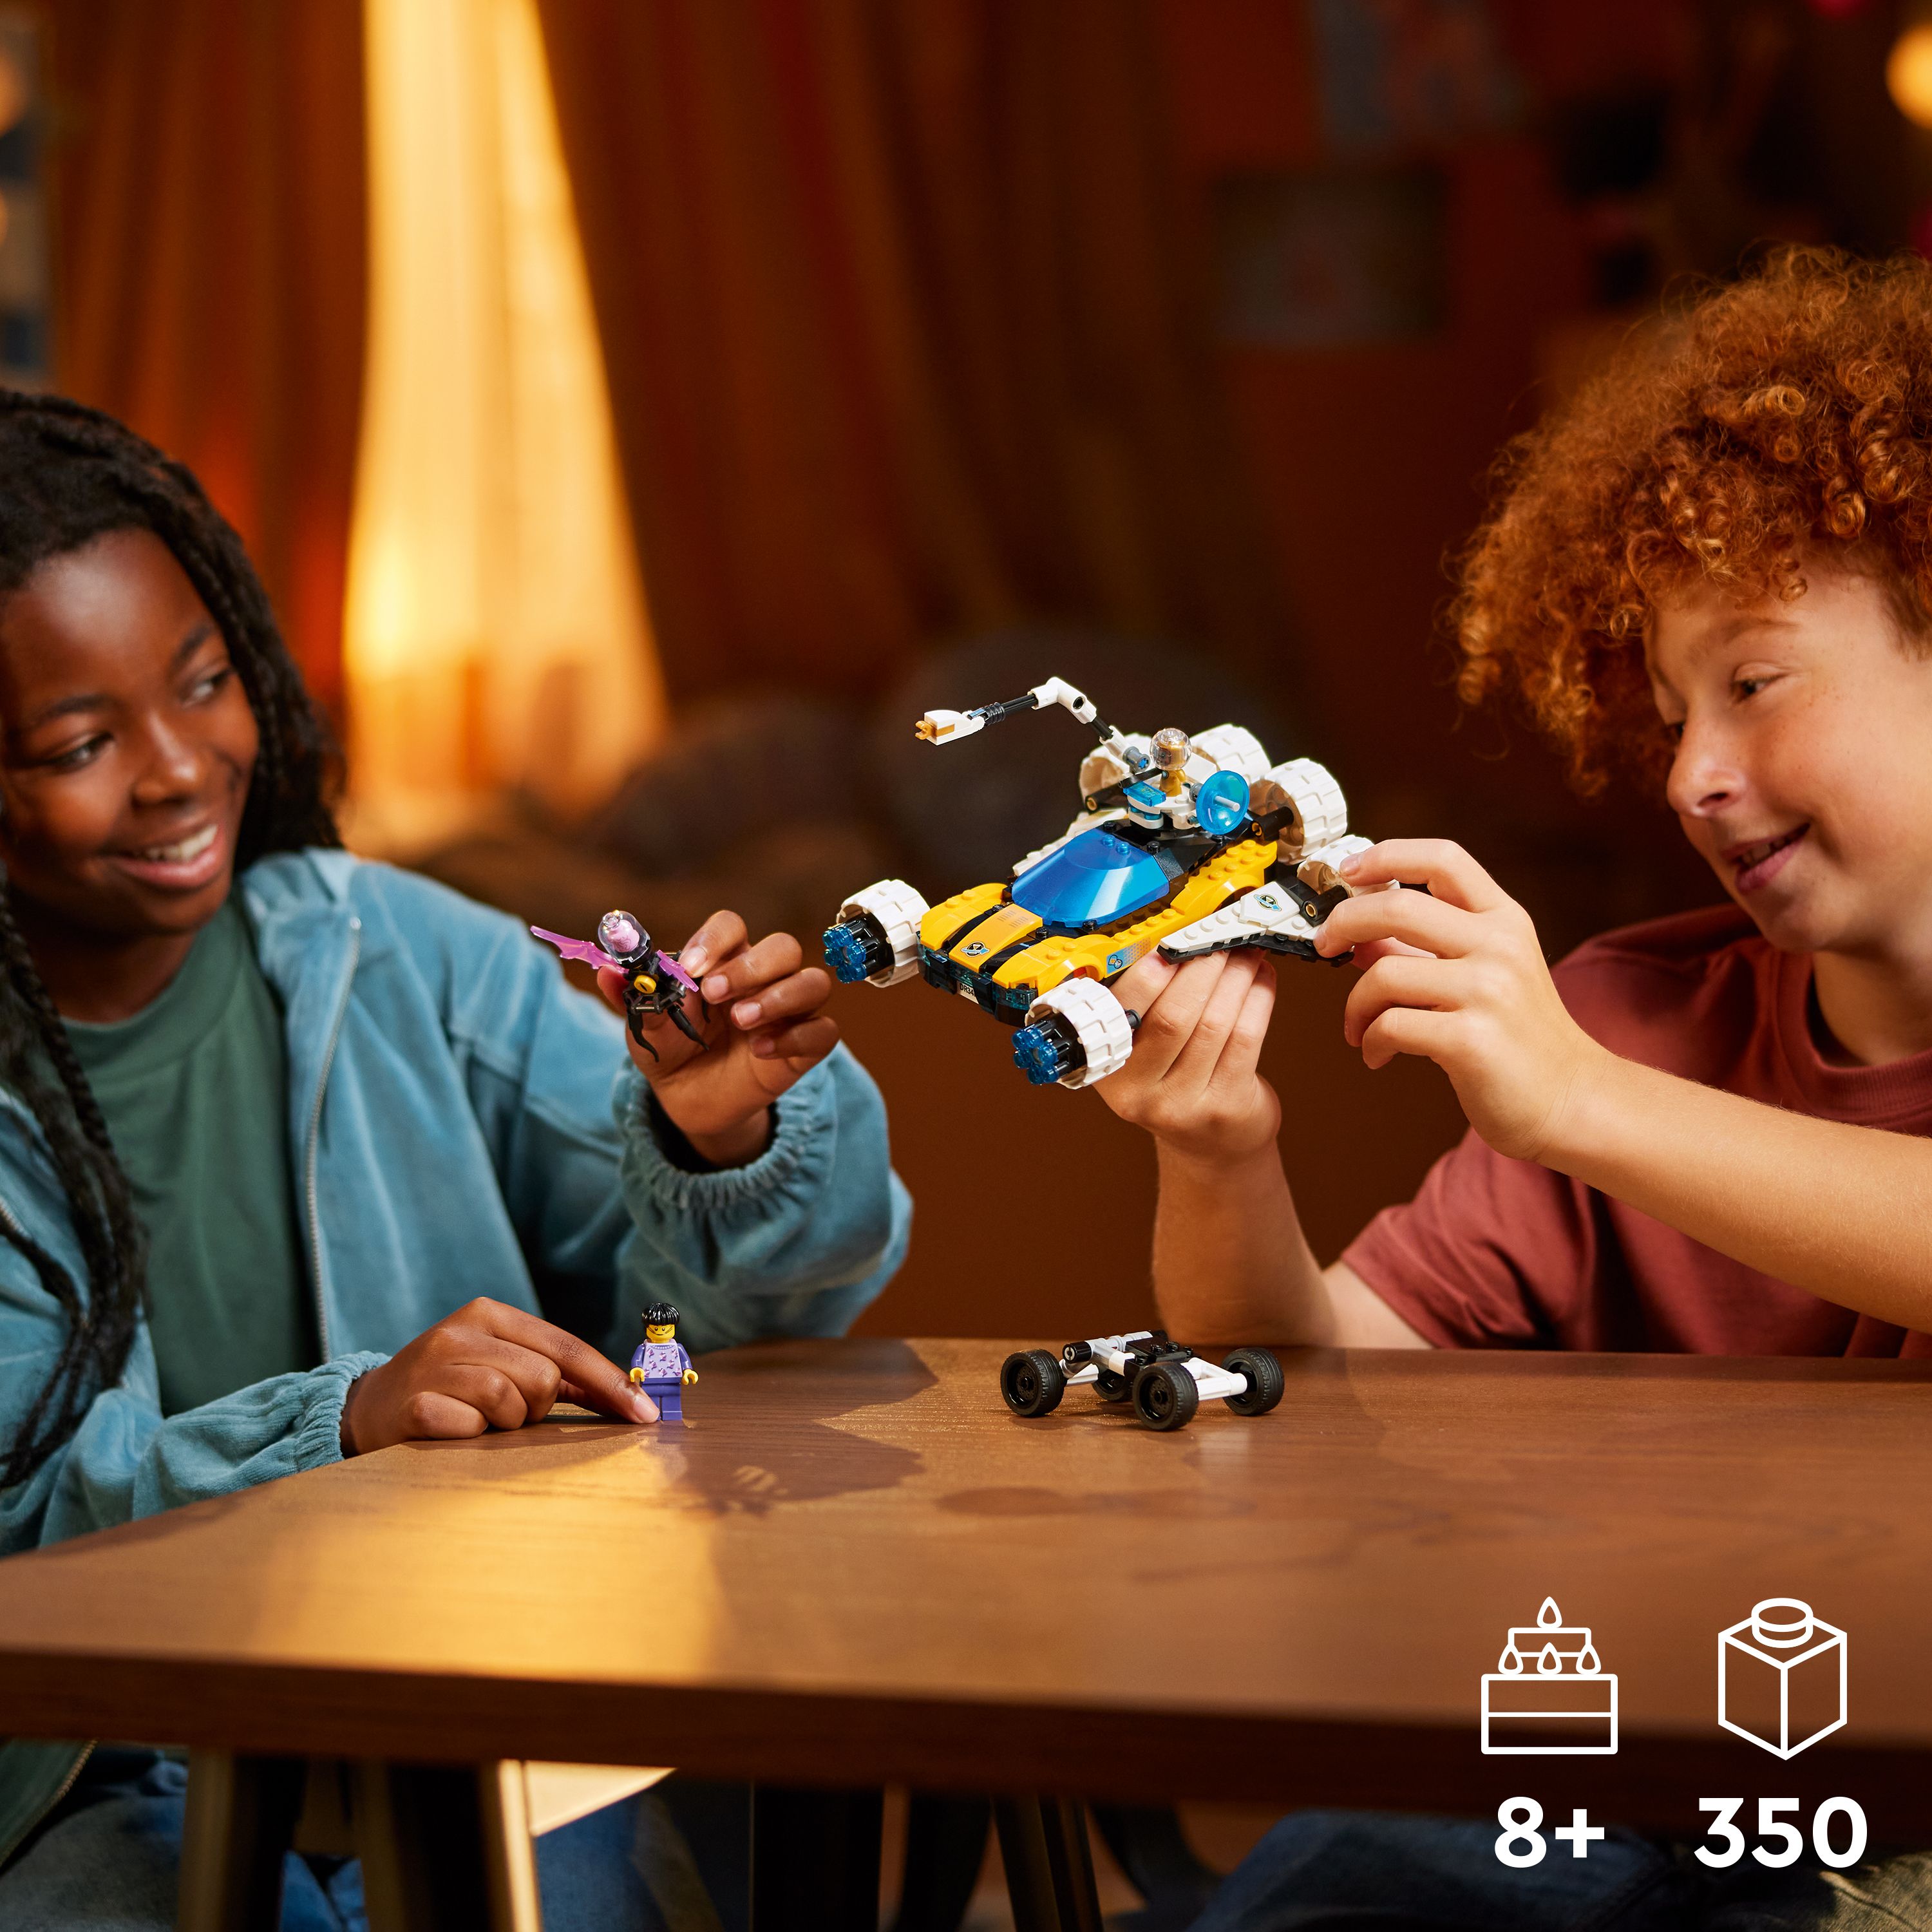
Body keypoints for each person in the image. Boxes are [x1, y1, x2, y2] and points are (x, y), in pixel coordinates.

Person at [0, 392, 910, 1927]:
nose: (177, 769)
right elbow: (25, 1526)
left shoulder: (399, 954)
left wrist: (722, 1137)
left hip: (462, 1705)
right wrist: (343, 1425)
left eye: (205, 683)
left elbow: (740, 1338)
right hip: (86, 1771)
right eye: (82, 743)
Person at [1101, 248, 1932, 1925]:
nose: (1691, 776)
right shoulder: (1629, 1016)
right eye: (1670, 709)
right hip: (1634, 1772)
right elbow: (1308, 1378)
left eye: (1753, 682)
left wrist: (1577, 1100)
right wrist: (1220, 1155)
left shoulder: (1591, 1077)